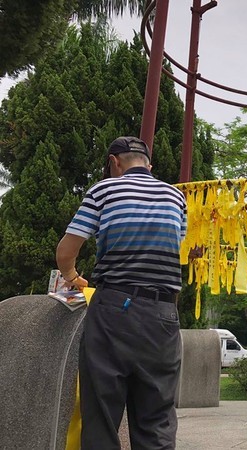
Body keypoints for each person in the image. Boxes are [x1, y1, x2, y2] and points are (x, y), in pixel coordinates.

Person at [56, 136, 187, 450]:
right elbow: (173, 248)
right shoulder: (175, 196)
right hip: (163, 316)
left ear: (115, 163)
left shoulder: (103, 190)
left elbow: (66, 250)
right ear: (148, 164)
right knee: (156, 421)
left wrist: (73, 277)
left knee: (101, 415)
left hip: (114, 310)